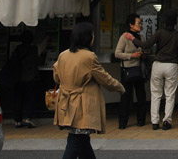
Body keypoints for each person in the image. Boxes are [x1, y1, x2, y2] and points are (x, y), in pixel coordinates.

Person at [53, 22, 125, 159]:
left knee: (80, 139)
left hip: (66, 102)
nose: (94, 37)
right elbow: (104, 78)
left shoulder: (63, 55)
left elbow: (56, 77)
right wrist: (120, 87)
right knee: (76, 141)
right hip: (81, 104)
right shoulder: (89, 57)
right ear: (87, 37)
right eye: (92, 35)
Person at [124, 9, 178, 130]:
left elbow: (146, 45)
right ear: (175, 23)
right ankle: (167, 121)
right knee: (170, 95)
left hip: (158, 64)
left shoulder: (159, 33)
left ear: (164, 22)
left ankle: (155, 122)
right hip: (171, 66)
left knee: (156, 94)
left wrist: (132, 39)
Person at [114, 14, 147, 129]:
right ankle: (123, 123)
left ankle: (141, 120)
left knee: (141, 96)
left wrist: (143, 55)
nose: (140, 25)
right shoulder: (125, 37)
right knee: (126, 97)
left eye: (140, 23)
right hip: (127, 70)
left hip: (139, 70)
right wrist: (132, 55)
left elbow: (145, 49)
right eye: (138, 23)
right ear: (131, 25)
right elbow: (117, 53)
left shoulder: (141, 37)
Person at [11, 30, 40, 128]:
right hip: (30, 77)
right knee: (30, 98)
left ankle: (17, 120)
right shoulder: (33, 49)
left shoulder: (18, 49)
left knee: (18, 99)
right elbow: (36, 61)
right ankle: (27, 118)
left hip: (18, 78)